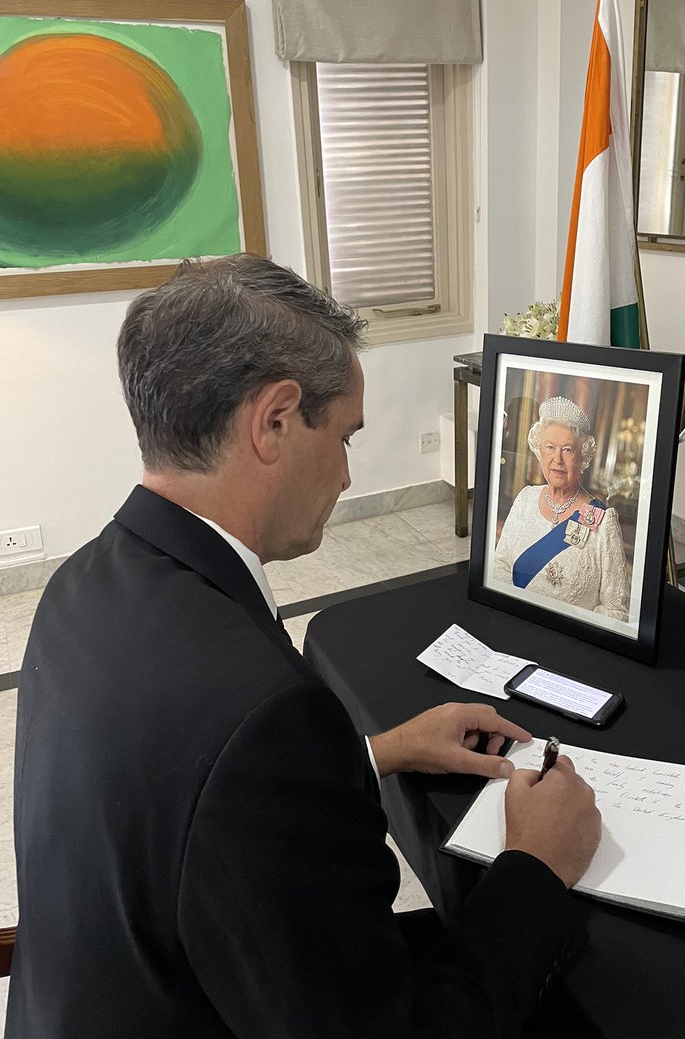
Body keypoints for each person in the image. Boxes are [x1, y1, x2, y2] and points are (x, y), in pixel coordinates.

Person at [9, 254, 602, 1039]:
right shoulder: (264, 714)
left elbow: (184, 798)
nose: (351, 475)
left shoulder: (83, 584)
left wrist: (374, 751)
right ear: (276, 420)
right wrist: (537, 867)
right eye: (347, 435)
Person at [493, 396, 630, 621]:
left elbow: (616, 610)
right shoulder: (525, 498)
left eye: (567, 450)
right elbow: (500, 566)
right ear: (540, 453)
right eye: (550, 448)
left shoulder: (603, 521)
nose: (557, 459)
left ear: (582, 457)